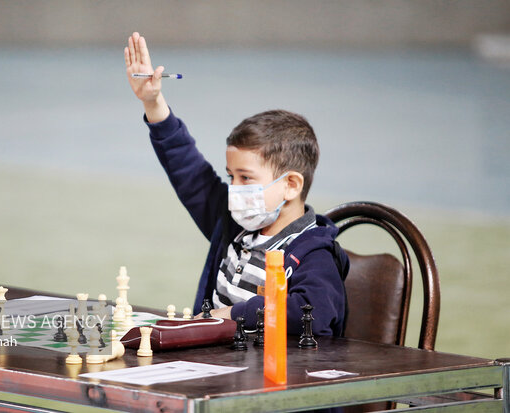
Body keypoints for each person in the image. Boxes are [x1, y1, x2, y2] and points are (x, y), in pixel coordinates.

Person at [124, 32, 349, 336]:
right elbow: (188, 169)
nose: (234, 188)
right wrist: (153, 103)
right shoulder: (233, 224)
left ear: (291, 185)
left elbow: (308, 313)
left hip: (271, 377)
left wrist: (232, 314)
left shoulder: (313, 255)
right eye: (231, 176)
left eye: (246, 178)